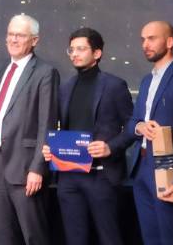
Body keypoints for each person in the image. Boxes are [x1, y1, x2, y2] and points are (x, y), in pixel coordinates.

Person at [42, 27, 134, 245]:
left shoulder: (115, 85)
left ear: (97, 53)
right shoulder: (65, 87)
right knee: (74, 238)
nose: (74, 54)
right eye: (71, 49)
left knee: (109, 238)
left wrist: (111, 147)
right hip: (68, 175)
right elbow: (60, 127)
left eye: (81, 49)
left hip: (102, 175)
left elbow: (133, 125)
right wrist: (50, 147)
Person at [0, 14, 59, 245]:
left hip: (25, 166)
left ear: (34, 40)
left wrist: (37, 168)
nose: (13, 39)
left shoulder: (45, 72)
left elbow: (47, 124)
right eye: (10, 34)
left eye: (20, 35)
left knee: (33, 234)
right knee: (1, 234)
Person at [127, 21, 173, 245]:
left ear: (170, 42)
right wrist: (139, 127)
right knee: (150, 238)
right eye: (143, 39)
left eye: (152, 38)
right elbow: (133, 122)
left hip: (167, 168)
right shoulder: (146, 80)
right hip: (141, 167)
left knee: (171, 238)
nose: (145, 44)